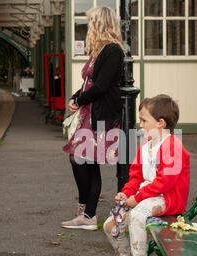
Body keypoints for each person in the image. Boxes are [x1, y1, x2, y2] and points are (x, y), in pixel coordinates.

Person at [103, 95, 191, 256]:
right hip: (146, 197)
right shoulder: (146, 146)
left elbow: (165, 183)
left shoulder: (173, 147)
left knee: (137, 216)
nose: (139, 124)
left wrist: (137, 198)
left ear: (160, 123)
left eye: (144, 120)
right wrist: (127, 193)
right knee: (111, 225)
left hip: (166, 200)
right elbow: (136, 176)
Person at [62, 6, 124, 230]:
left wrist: (79, 101)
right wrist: (75, 97)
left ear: (99, 24)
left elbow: (101, 87)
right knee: (85, 160)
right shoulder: (100, 51)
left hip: (101, 115)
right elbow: (89, 85)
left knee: (83, 159)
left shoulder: (113, 51)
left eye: (91, 22)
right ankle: (86, 214)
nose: (88, 27)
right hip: (90, 112)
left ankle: (88, 215)